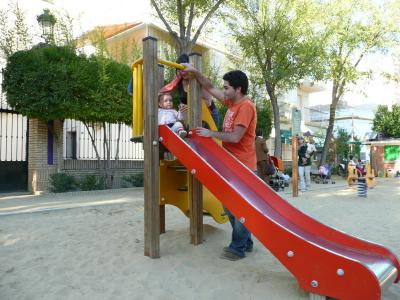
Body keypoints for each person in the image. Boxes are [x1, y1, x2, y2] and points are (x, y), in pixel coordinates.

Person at [182, 66, 256, 261]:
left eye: (227, 88)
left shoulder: (246, 106)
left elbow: (235, 137)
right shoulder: (232, 103)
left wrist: (210, 134)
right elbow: (210, 86)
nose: (223, 91)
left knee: (239, 208)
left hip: (243, 166)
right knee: (228, 206)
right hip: (231, 164)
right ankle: (246, 242)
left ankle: (238, 247)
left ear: (238, 89)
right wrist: (195, 73)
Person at [159, 54, 219, 127]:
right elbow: (161, 94)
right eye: (180, 70)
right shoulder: (179, 81)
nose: (183, 72)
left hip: (208, 116)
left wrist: (188, 106)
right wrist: (175, 81)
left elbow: (208, 103)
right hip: (192, 116)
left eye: (185, 69)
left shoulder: (200, 79)